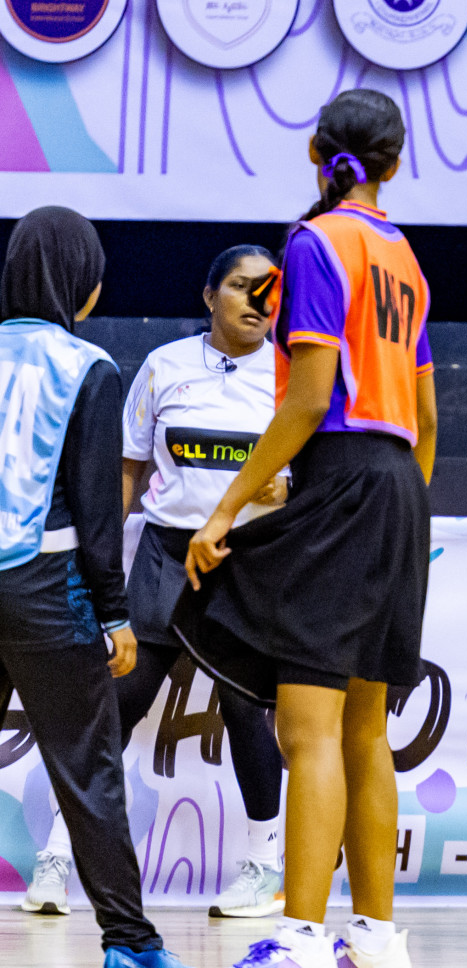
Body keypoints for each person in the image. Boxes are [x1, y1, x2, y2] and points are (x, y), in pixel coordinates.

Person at [183, 88, 436, 968]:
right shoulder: (406, 257)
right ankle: (375, 936)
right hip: (402, 486)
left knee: (309, 730)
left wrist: (225, 505)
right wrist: (396, 509)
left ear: (315, 153)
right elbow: (430, 418)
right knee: (366, 729)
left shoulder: (314, 242)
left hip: (345, 480)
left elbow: (309, 396)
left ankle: (297, 935)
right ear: (396, 164)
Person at [28, 246, 291, 922]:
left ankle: (263, 864)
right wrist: (97, 566)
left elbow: (315, 477)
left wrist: (286, 489)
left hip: (251, 562)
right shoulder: (163, 367)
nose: (256, 301)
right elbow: (125, 472)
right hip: (165, 558)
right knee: (116, 704)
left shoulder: (295, 375)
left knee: (244, 710)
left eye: (269, 289)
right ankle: (61, 854)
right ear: (209, 296)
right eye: (240, 286)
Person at [0, 206, 192, 967]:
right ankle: (129, 942)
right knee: (87, 767)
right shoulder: (89, 368)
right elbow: (96, 507)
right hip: (45, 586)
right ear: (82, 281)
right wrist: (114, 614)